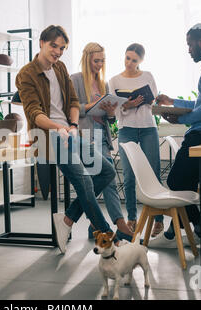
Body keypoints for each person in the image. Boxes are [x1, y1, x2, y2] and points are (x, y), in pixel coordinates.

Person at [15, 25, 118, 254]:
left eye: (62, 48)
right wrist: (58, 127)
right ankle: (111, 237)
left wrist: (71, 126)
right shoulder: (26, 74)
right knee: (85, 181)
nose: (58, 52)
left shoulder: (60, 68)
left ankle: (68, 219)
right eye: (54, 46)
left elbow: (72, 101)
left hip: (68, 133)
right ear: (42, 42)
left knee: (107, 171)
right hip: (46, 136)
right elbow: (34, 113)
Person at [149, 23, 201, 248]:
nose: (188, 50)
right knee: (186, 184)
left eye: (190, 44)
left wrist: (180, 119)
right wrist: (173, 103)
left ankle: (198, 226)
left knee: (175, 181)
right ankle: (178, 229)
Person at [70, 42, 134, 241]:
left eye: (102, 61)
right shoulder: (75, 80)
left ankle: (96, 226)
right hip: (85, 137)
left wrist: (110, 113)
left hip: (101, 136)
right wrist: (90, 106)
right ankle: (119, 225)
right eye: (96, 60)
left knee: (107, 180)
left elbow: (110, 120)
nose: (99, 64)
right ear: (87, 59)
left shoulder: (103, 83)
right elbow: (70, 108)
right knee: (97, 182)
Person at [108, 43, 164, 237]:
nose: (130, 63)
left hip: (148, 128)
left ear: (141, 61)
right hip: (126, 130)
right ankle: (131, 218)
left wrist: (149, 100)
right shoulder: (114, 81)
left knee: (153, 173)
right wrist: (128, 105)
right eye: (127, 58)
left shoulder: (147, 76)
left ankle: (158, 220)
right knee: (130, 176)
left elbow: (154, 100)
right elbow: (115, 109)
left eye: (134, 60)